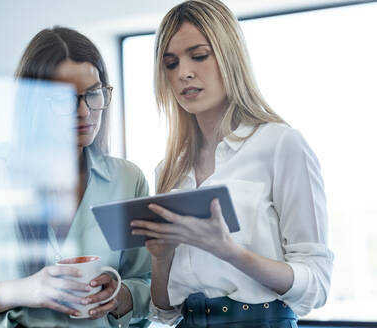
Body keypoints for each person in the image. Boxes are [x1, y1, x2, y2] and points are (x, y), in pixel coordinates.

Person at [0, 27, 151, 328]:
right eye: (64, 99)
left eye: (93, 94)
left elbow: (146, 283)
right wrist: (26, 290)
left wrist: (118, 296)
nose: (84, 111)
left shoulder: (128, 180)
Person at [130, 1, 334, 327]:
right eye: (170, 63)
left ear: (230, 57)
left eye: (198, 56)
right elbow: (165, 312)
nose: (183, 73)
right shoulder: (168, 169)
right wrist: (162, 258)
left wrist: (228, 250)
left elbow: (317, 286)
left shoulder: (282, 144)